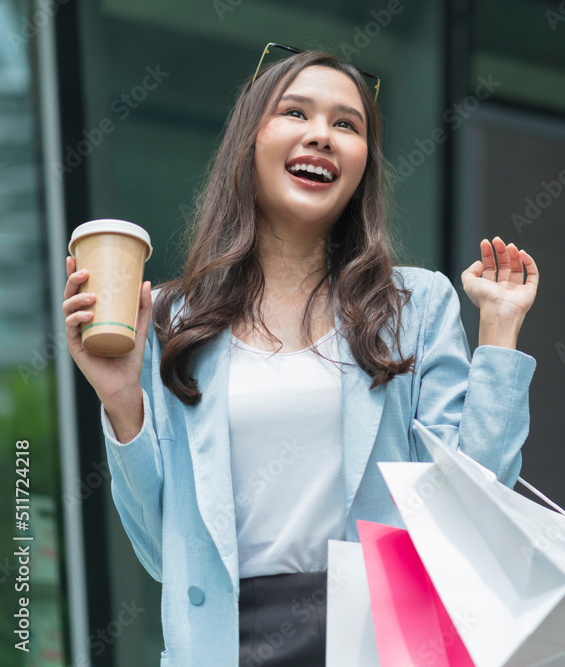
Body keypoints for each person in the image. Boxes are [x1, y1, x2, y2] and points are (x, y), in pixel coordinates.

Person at [62, 47, 538, 666]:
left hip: (383, 639)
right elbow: (163, 552)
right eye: (295, 113)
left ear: (364, 164)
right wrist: (123, 398)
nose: (322, 135)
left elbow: (472, 506)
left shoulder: (416, 304)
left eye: (347, 125)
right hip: (225, 646)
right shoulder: (175, 318)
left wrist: (499, 332)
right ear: (249, 141)